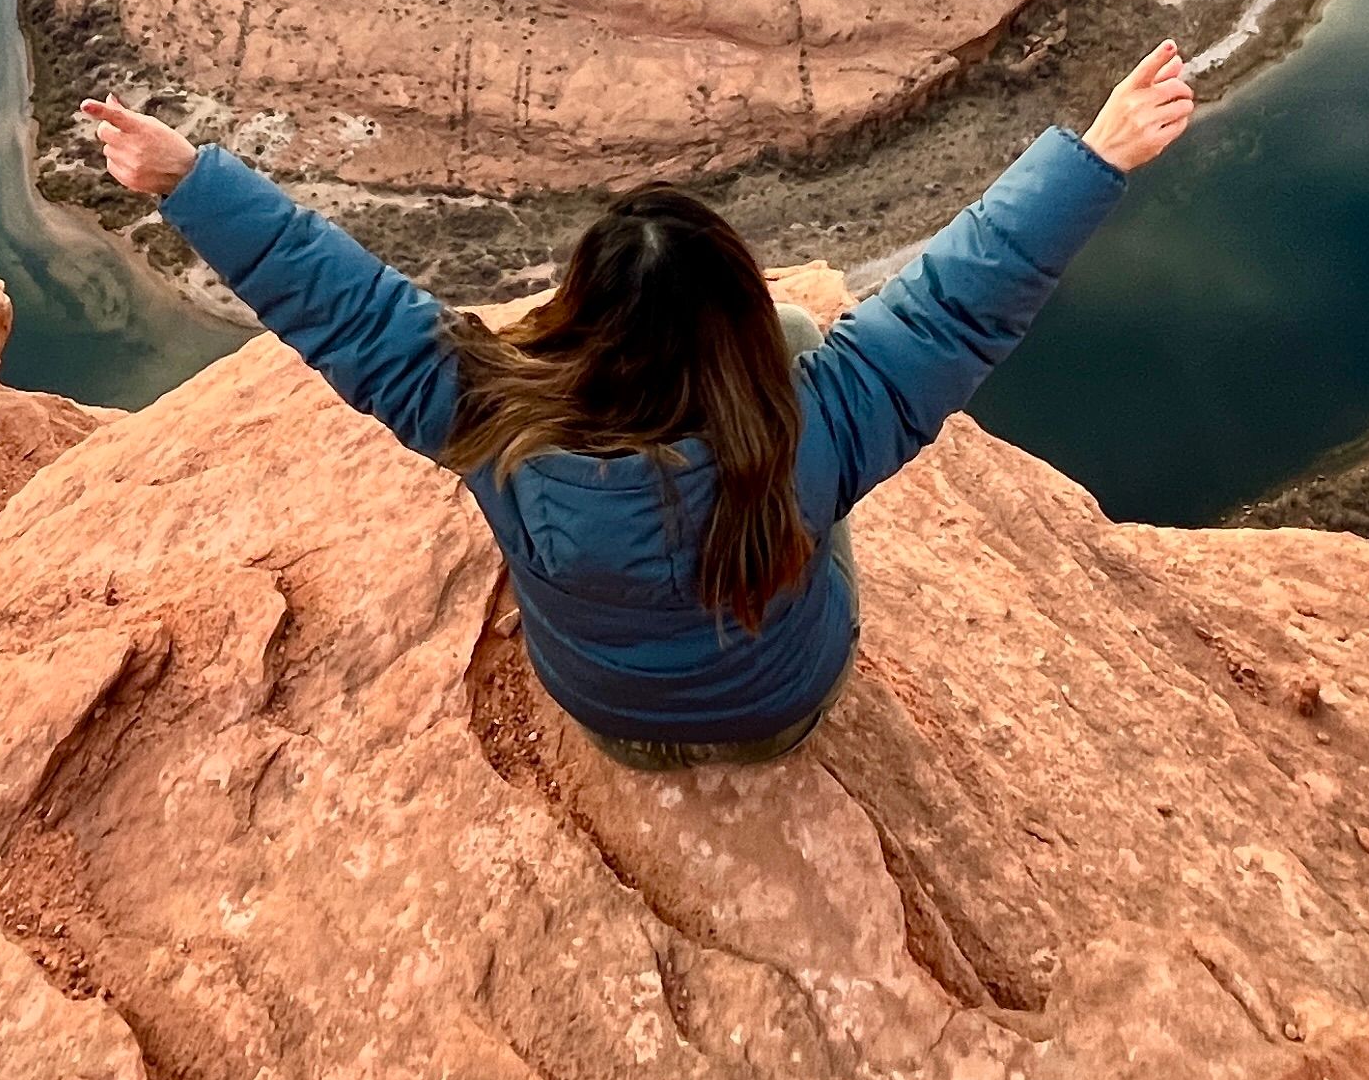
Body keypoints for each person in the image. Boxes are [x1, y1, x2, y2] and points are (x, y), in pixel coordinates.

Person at [75, 41, 1198, 773]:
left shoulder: (490, 419)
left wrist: (190, 180)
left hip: (606, 723)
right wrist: (1094, 156)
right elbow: (958, 306)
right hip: (781, 714)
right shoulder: (806, 437)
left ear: (580, 313)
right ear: (730, 322)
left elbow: (348, 310)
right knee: (823, 352)